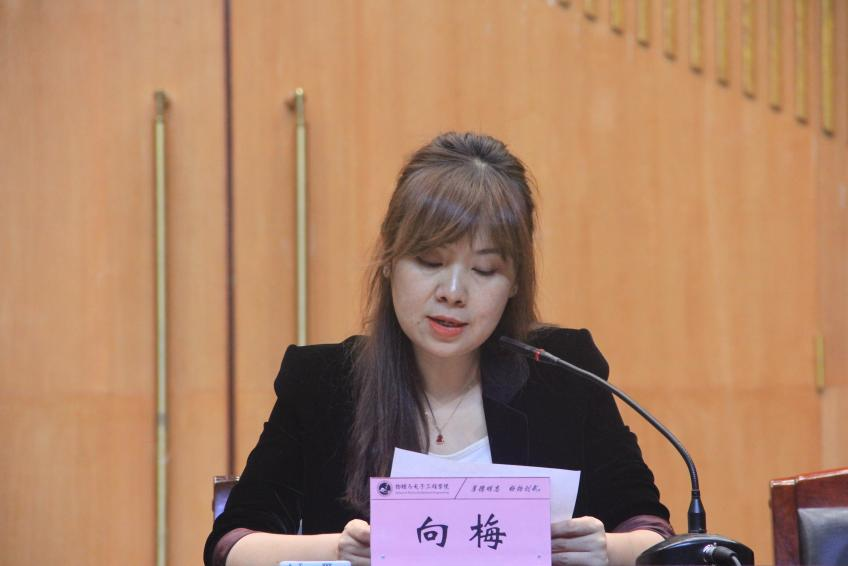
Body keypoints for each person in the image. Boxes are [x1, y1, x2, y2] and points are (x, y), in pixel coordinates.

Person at [204, 132, 673, 566]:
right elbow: (231, 545)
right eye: (430, 261)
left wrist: (606, 548)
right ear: (389, 259)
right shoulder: (323, 383)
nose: (452, 292)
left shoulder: (563, 373)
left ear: (514, 282)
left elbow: (653, 532)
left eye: (484, 271)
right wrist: (340, 550)